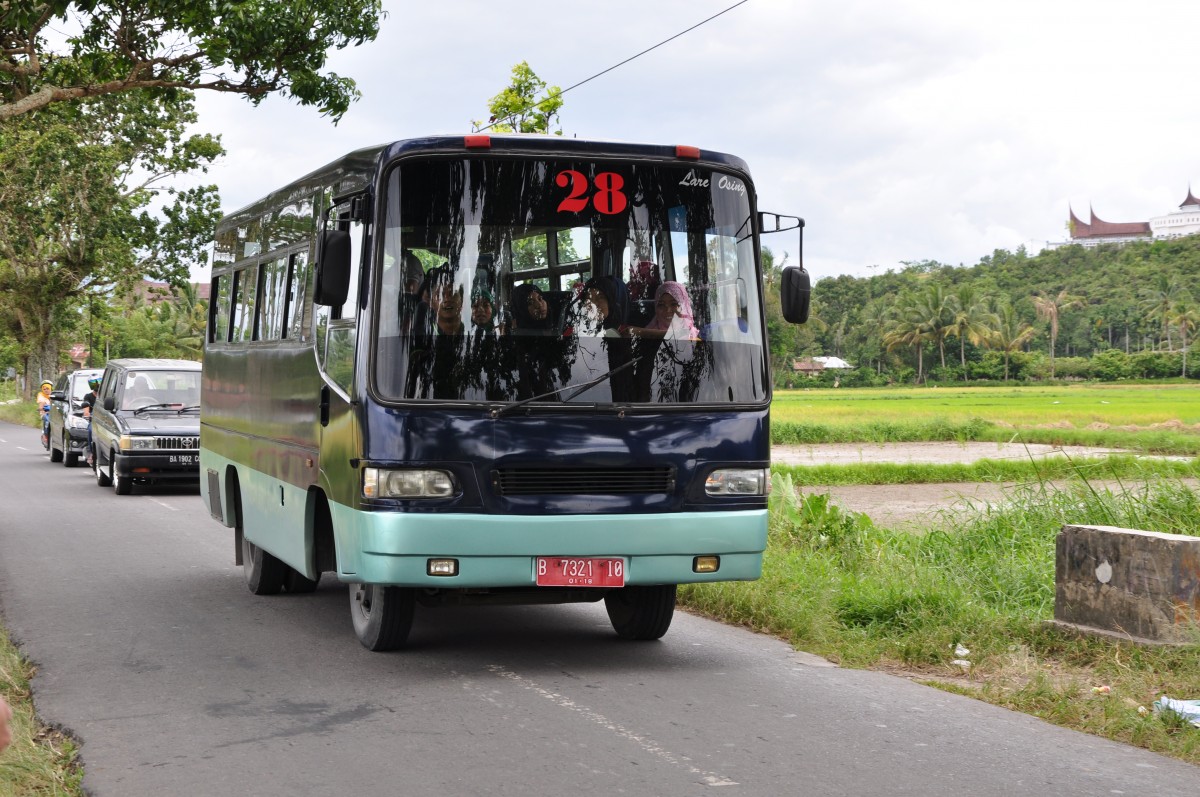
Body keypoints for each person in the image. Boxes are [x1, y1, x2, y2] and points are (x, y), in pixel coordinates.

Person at [622, 281, 700, 340]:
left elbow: (683, 334)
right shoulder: (647, 333)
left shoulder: (693, 338)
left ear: (684, 306)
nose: (668, 310)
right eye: (661, 305)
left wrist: (640, 332)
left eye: (674, 304)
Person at [82, 376, 101, 467]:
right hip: (94, 421)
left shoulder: (106, 397)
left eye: (99, 382)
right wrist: (88, 414)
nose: (97, 385)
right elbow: (86, 411)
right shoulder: (88, 397)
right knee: (90, 430)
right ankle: (91, 452)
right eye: (95, 383)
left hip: (105, 422)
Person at [37, 380, 52, 448]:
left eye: (47, 388)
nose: (46, 390)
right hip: (45, 413)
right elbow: (41, 406)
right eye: (44, 389)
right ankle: (46, 436)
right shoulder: (41, 396)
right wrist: (42, 409)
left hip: (54, 413)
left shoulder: (53, 395)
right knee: (47, 420)